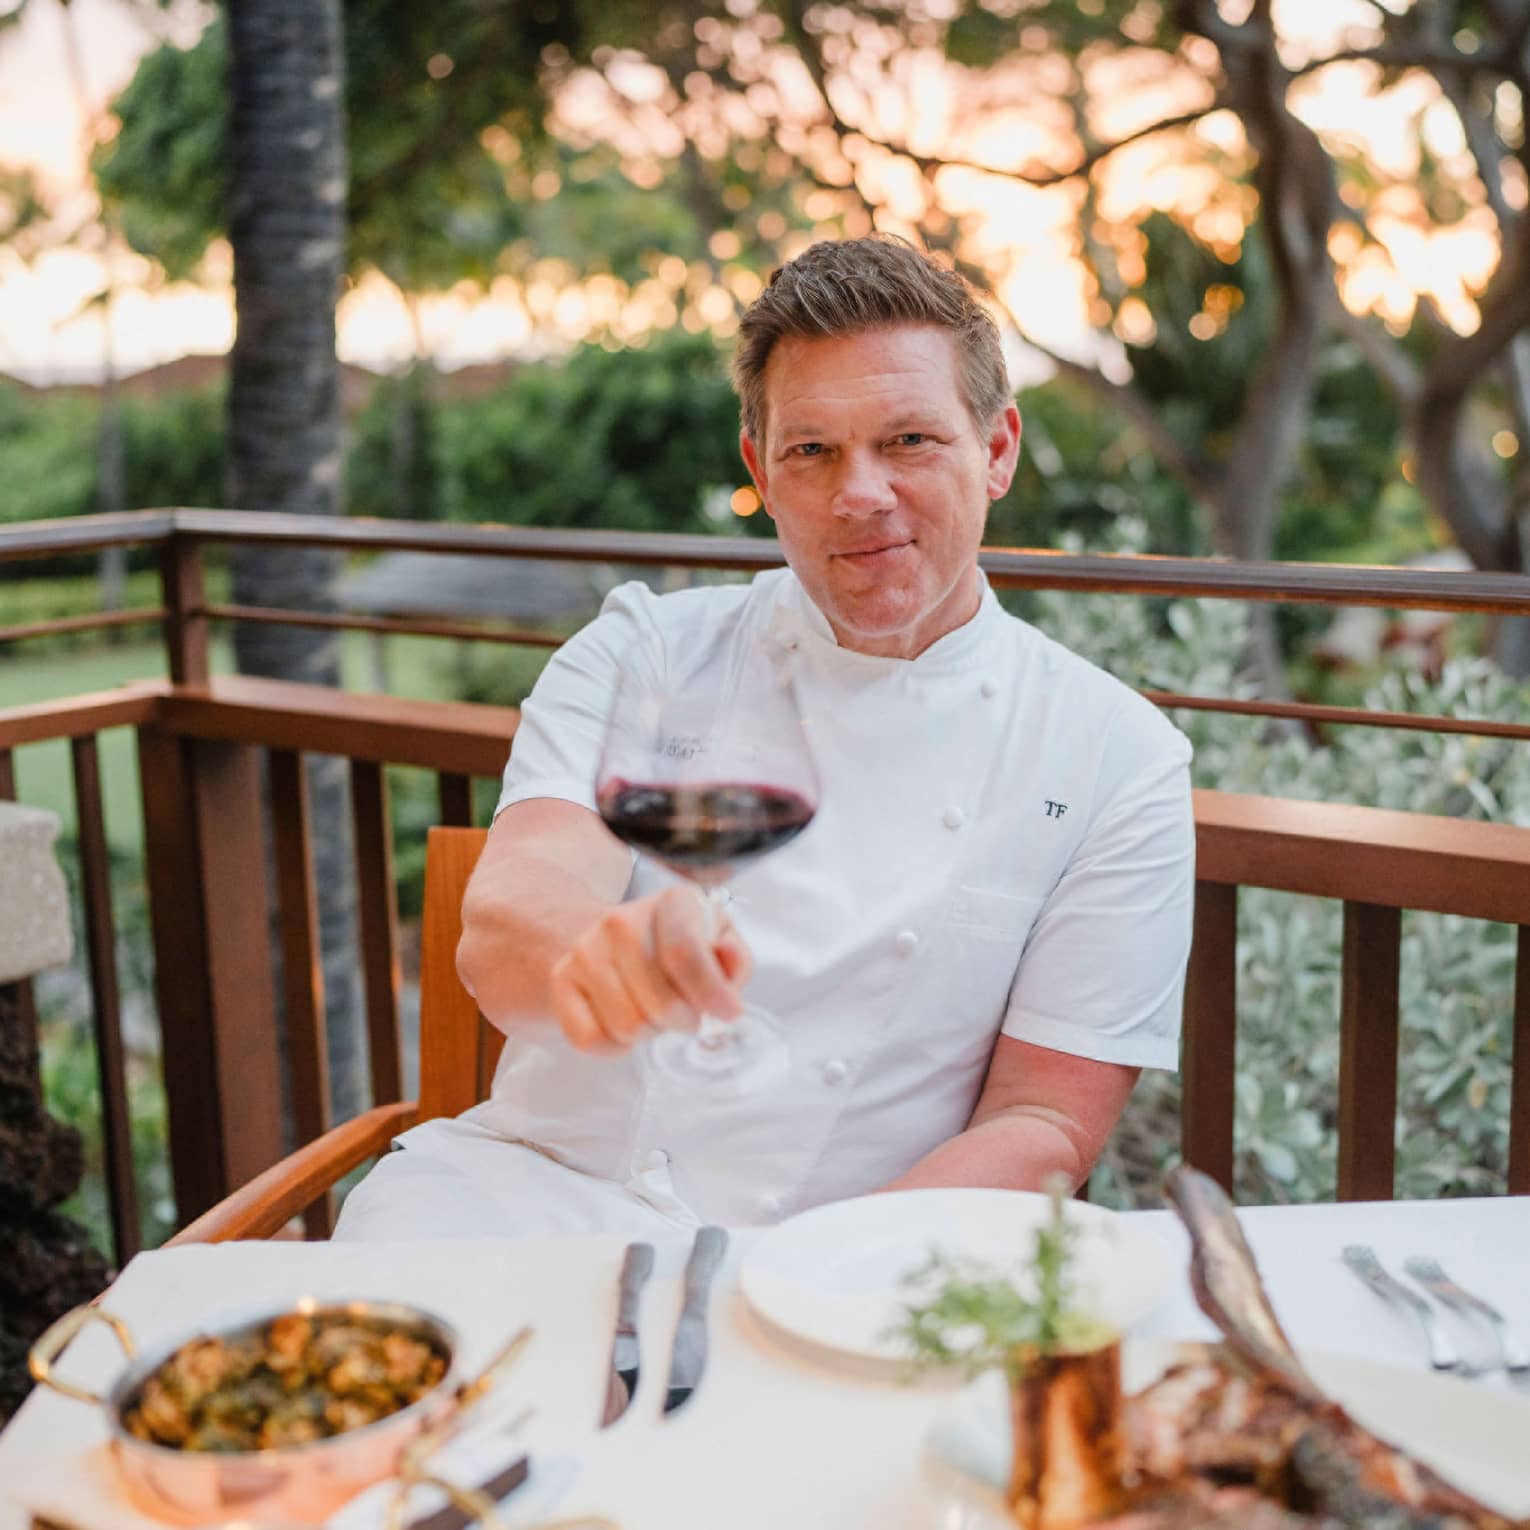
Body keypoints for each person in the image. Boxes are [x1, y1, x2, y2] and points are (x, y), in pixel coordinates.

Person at [333, 236, 1194, 1242]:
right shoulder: (646, 653)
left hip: (850, 1248)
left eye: (909, 440)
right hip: (532, 1199)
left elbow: (1043, 1122)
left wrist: (816, 1272)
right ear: (761, 470)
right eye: (811, 450)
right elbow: (509, 921)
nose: (860, 494)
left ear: (996, 451)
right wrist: (601, 955)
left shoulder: (1114, 757)